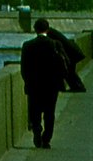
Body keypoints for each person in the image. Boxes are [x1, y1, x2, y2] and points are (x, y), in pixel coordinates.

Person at [21, 18, 69, 149]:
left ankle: (37, 131)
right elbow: (65, 64)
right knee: (49, 112)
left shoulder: (27, 45)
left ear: (35, 29)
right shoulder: (56, 44)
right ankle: (46, 139)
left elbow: (24, 68)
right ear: (47, 30)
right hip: (52, 85)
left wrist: (28, 82)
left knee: (35, 111)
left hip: (34, 85)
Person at [45, 25, 87, 92]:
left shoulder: (50, 34)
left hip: (70, 54)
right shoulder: (52, 32)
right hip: (72, 53)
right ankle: (77, 87)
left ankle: (79, 87)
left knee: (69, 72)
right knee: (70, 72)